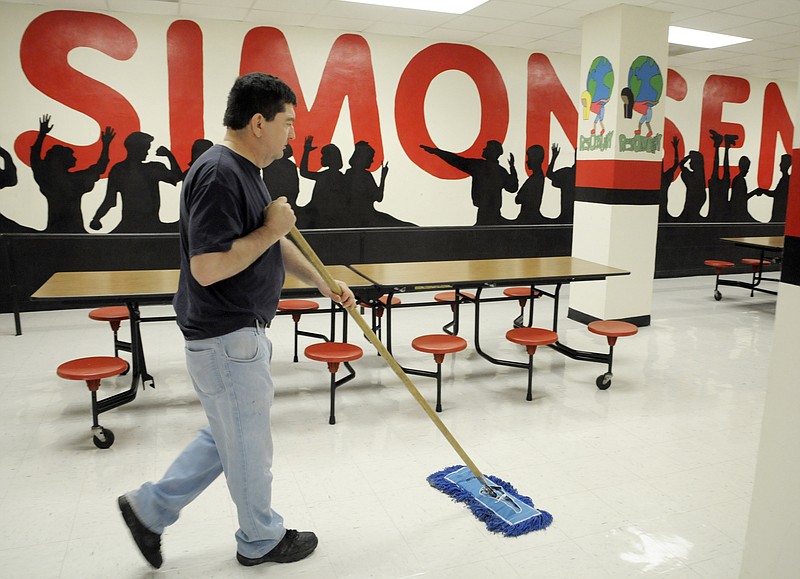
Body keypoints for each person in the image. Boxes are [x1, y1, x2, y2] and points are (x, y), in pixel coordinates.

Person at [117, 72, 356, 569]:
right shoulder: (222, 173)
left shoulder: (245, 169)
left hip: (229, 336)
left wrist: (319, 280)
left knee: (227, 436)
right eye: (287, 123)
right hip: (227, 335)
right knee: (249, 445)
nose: (292, 134)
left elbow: (271, 241)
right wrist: (272, 228)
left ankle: (150, 508)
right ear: (258, 123)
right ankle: (260, 538)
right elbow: (208, 267)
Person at [30, 114, 115, 232]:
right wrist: (106, 145)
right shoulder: (76, 179)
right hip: (75, 230)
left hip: (57, 230)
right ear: (60, 160)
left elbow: (35, 159)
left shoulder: (47, 180)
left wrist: (42, 135)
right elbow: (100, 167)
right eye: (71, 156)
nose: (75, 158)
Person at [90, 132, 182, 232]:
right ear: (136, 149)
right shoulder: (148, 169)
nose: (147, 153)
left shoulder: (120, 169)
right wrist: (169, 155)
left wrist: (96, 219)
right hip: (142, 226)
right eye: (145, 149)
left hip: (141, 225)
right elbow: (176, 177)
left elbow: (110, 201)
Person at [420, 140, 517, 226]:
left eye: (487, 148)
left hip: (486, 211)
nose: (484, 149)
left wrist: (437, 152)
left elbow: (456, 160)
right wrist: (512, 169)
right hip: (492, 211)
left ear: (492, 152)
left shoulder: (480, 166)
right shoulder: (500, 171)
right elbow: (512, 188)